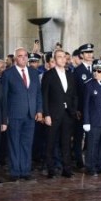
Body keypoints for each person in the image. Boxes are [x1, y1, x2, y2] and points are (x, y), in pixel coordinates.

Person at [2, 47, 43, 180]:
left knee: (27, 143)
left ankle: (25, 171)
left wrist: (39, 110)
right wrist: (5, 117)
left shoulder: (33, 72)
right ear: (15, 58)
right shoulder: (8, 74)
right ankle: (15, 171)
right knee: (14, 143)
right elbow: (4, 97)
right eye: (20, 56)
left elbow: (38, 93)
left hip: (31, 114)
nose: (24, 58)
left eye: (25, 55)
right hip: (14, 114)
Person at [41, 49, 78, 178]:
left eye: (64, 57)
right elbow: (44, 96)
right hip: (53, 114)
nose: (62, 59)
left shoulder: (70, 75)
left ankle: (66, 169)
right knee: (50, 142)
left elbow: (73, 95)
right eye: (59, 57)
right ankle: (50, 169)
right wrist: (46, 114)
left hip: (67, 115)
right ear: (54, 60)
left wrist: (73, 110)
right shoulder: (48, 75)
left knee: (66, 143)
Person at [73, 43, 95, 169]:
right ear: (81, 55)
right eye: (87, 53)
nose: (90, 55)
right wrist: (76, 109)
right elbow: (74, 92)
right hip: (81, 109)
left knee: (92, 136)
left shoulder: (97, 68)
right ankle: (78, 161)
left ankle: (90, 160)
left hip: (94, 109)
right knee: (78, 136)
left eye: (91, 52)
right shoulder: (78, 71)